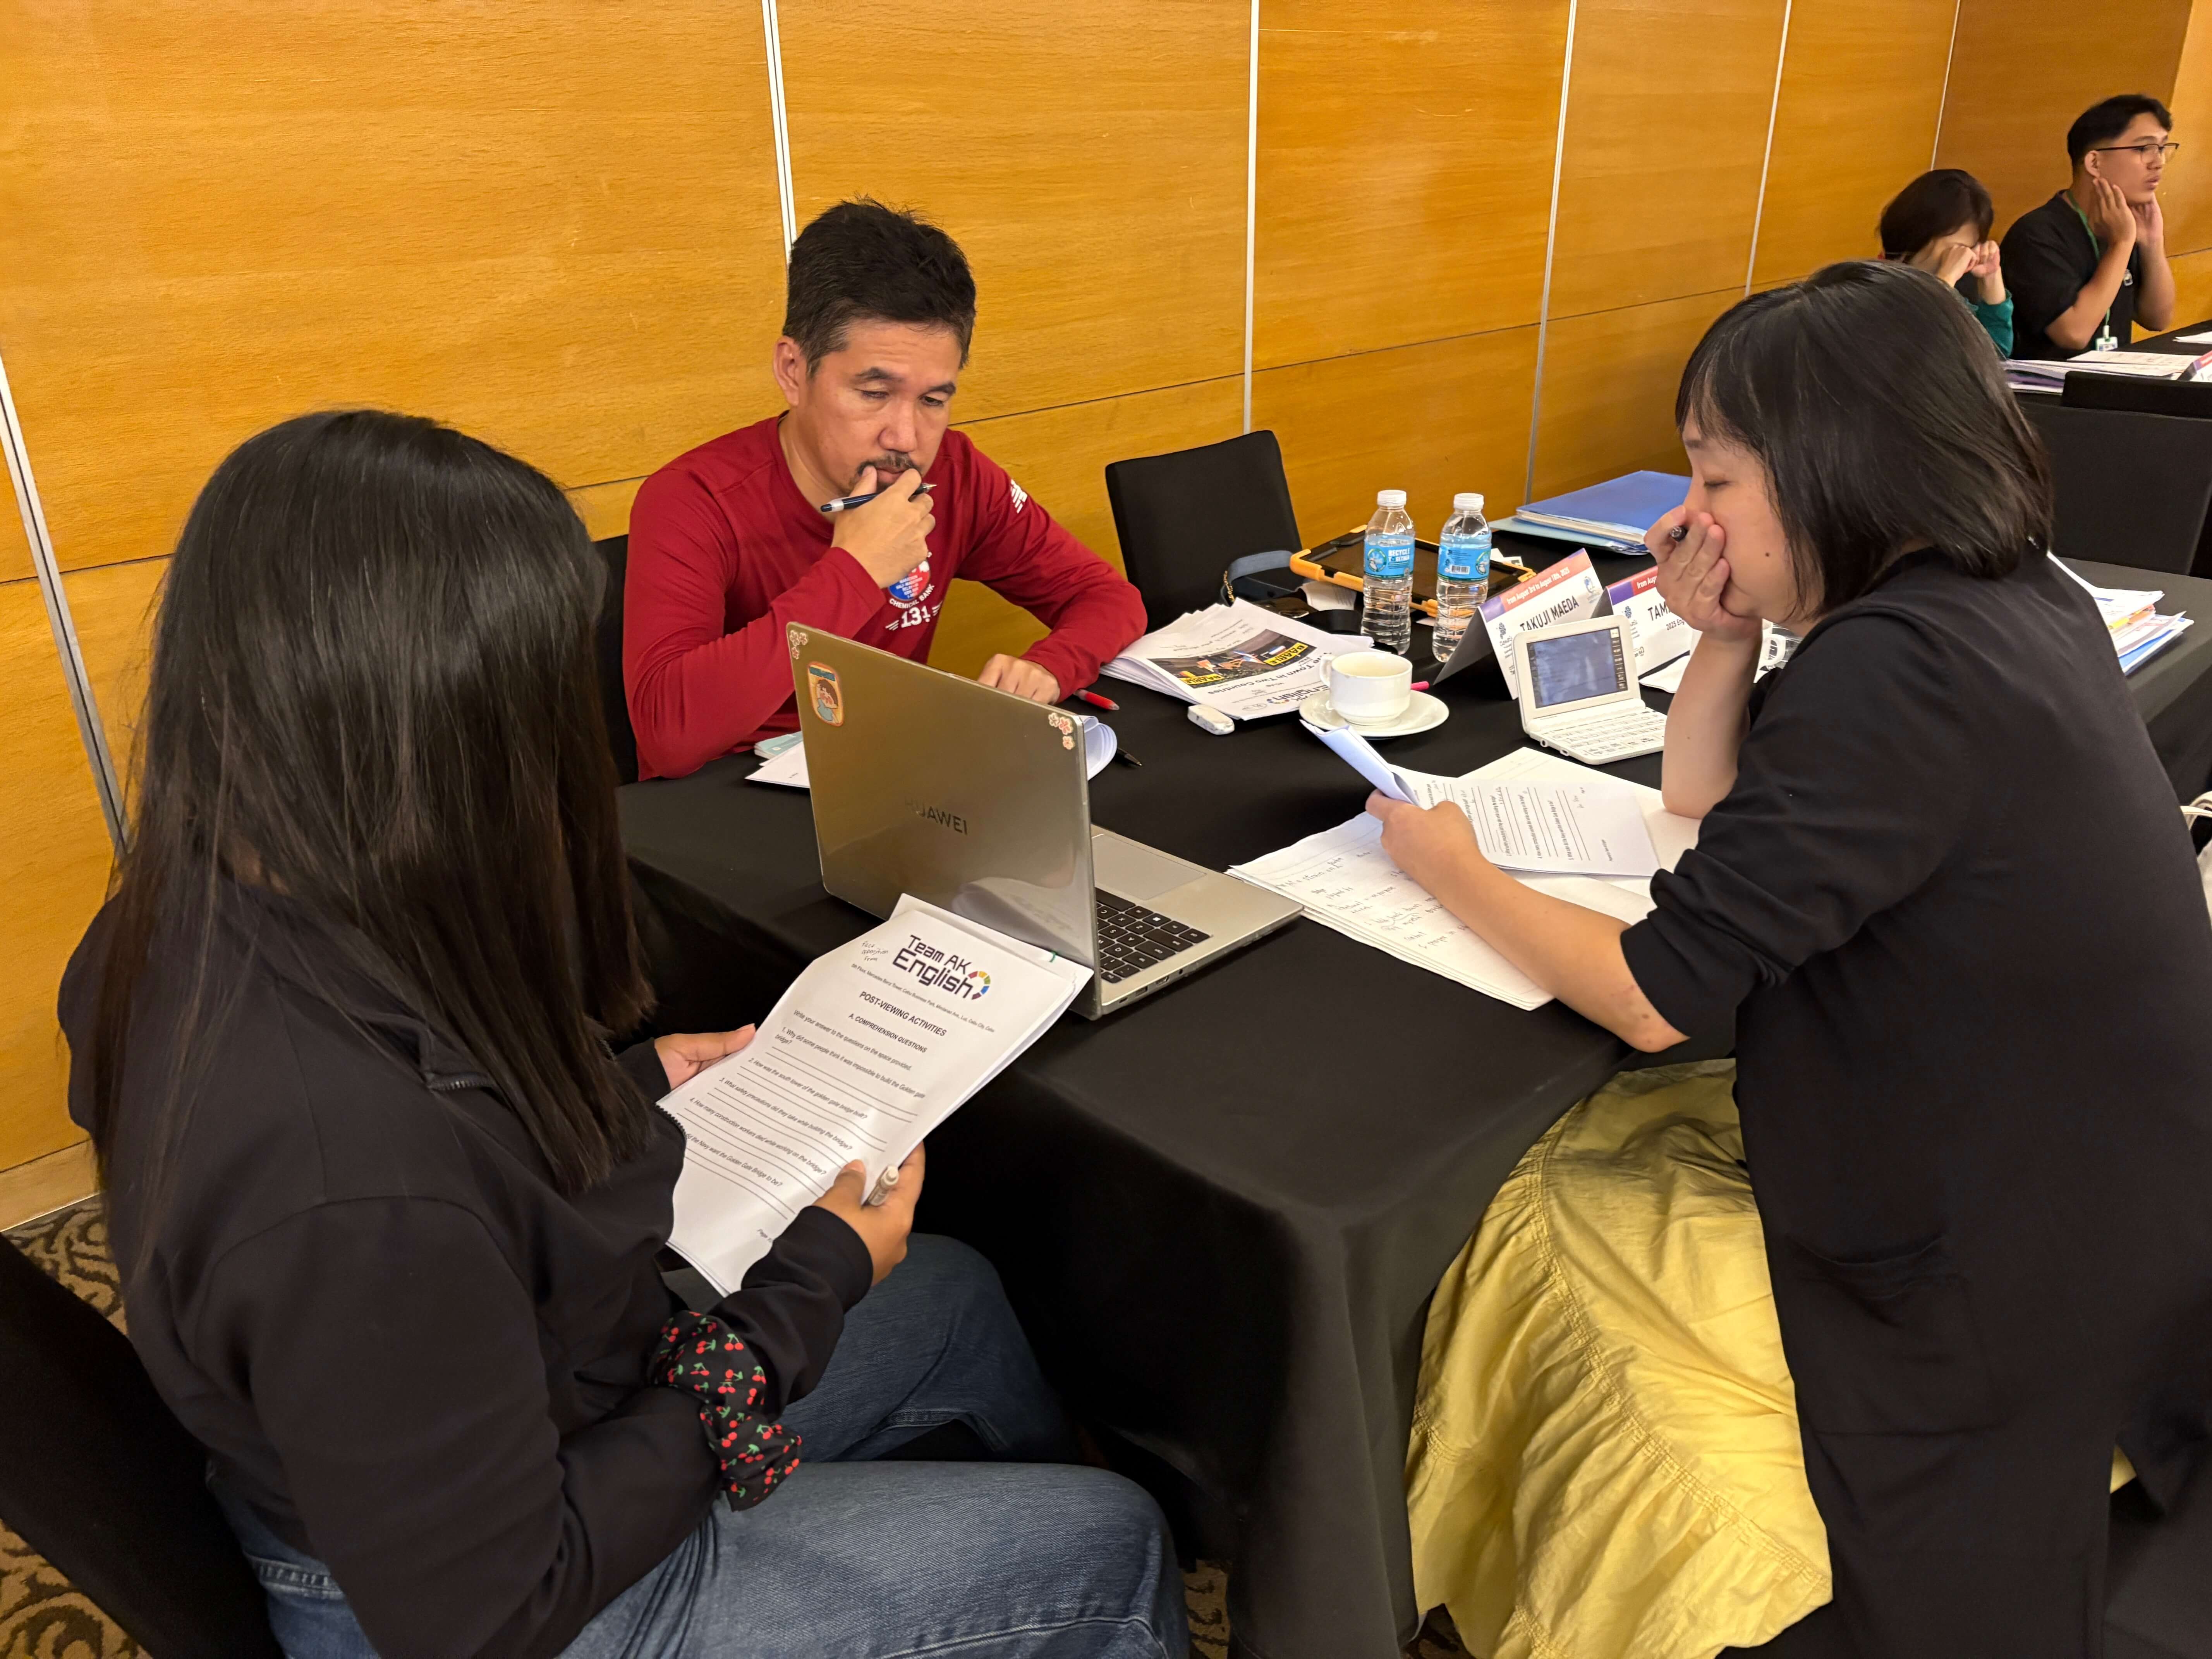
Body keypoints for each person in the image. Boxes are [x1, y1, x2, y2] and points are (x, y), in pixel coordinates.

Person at [59, 409, 1188, 1659]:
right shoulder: (346, 1188)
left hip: (518, 1406)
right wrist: (800, 1297)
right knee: (1113, 1540)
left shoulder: (190, 914)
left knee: (954, 1294)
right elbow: (495, 1605)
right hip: (512, 1589)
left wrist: (629, 1077)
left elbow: (430, 1139)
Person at [1365, 262, 2212, 1655]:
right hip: (2101, 1170)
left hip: (1991, 1248)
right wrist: (1726, 635)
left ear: (1837, 465)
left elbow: (1650, 996)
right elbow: (1708, 801)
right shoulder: (1997, 598)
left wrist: (1449, 866)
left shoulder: (1897, 670)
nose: (1691, 517)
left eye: (1716, 477)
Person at [624, 199, 1148, 780]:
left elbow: (1109, 598)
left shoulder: (956, 473)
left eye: (933, 400)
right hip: (726, 798)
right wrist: (852, 571)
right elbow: (669, 737)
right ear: (794, 371)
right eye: (874, 394)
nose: (905, 438)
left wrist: (1050, 667)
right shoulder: (693, 498)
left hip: (887, 778)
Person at [2002, 94, 2177, 359]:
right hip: (2051, 383)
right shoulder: (2036, 234)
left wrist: (2153, 242)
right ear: (2094, 163)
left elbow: (2158, 319)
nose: (2158, 162)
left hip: (2110, 377)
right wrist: (2121, 244)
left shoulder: (2123, 222)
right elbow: (2073, 334)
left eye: (2162, 148)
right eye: (2143, 149)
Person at [1877, 167, 2013, 354]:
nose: (1964, 258)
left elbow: (1996, 356)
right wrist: (1943, 283)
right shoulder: (1877, 294)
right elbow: (1912, 353)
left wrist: (1991, 277)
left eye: (1970, 248)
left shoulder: (1955, 295)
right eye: (1956, 249)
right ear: (1916, 237)